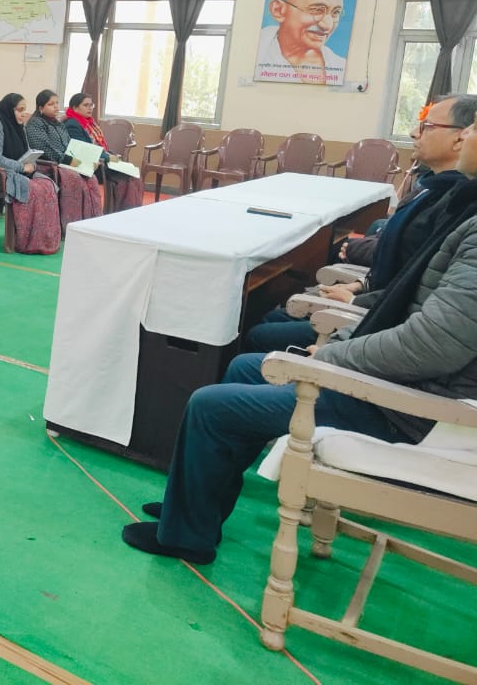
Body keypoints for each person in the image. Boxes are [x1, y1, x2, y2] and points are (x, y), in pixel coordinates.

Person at [123, 113, 477, 565]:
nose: (467, 134)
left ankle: (185, 538)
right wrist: (343, 342)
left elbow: (433, 344)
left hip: (405, 407)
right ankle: (194, 513)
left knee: (210, 406)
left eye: (472, 128)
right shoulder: (465, 207)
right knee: (243, 368)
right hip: (401, 383)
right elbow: (409, 304)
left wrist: (335, 355)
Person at [243, 93, 477, 354]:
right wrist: (361, 285)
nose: (414, 133)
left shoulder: (454, 202)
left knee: (258, 336)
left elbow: (415, 291)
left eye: (427, 126)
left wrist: (357, 301)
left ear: (460, 138)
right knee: (273, 317)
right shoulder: (434, 188)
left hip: (381, 326)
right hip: (377, 303)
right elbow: (403, 266)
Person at [0, 93, 62, 254]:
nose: (23, 114)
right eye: (19, 110)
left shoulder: (18, 127)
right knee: (34, 190)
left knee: (47, 185)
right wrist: (21, 167)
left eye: (24, 110)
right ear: (8, 110)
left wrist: (32, 162)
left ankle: (44, 238)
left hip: (11, 173)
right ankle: (26, 240)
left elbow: (27, 152)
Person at [256, 0, 347, 86]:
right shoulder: (255, 52)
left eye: (336, 13)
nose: (327, 25)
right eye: (317, 10)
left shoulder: (341, 67)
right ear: (278, 10)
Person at [25, 89, 102, 227]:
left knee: (91, 178)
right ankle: (69, 224)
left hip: (67, 163)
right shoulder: (35, 124)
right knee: (74, 178)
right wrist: (67, 160)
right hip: (47, 165)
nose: (56, 106)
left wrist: (87, 161)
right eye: (51, 104)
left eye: (57, 103)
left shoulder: (59, 124)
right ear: (41, 107)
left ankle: (90, 222)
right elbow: (43, 148)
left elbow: (71, 146)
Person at [64, 93, 141, 211]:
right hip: (90, 164)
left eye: (91, 105)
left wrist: (110, 154)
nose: (90, 108)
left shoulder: (89, 122)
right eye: (86, 105)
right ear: (75, 108)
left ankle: (123, 209)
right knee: (128, 176)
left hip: (99, 160)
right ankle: (123, 210)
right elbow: (85, 149)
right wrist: (108, 157)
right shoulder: (72, 124)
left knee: (132, 173)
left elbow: (98, 145)